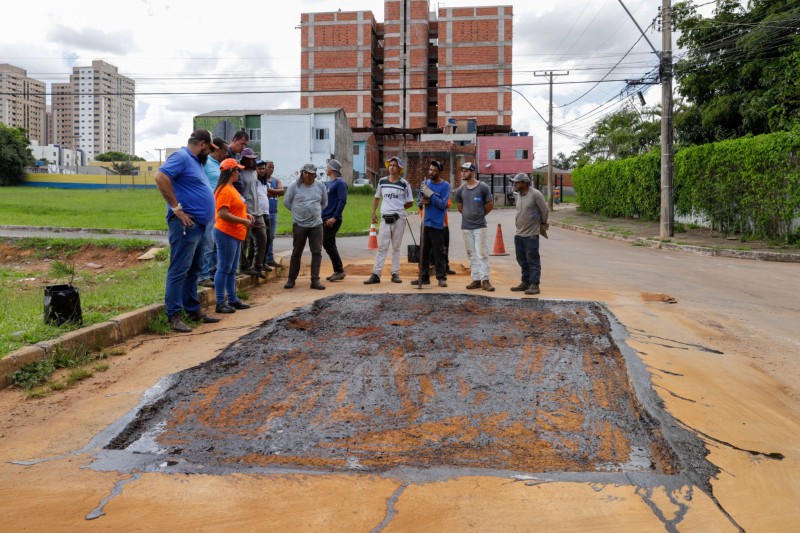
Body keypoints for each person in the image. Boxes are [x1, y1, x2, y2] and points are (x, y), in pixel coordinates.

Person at [153, 129, 221, 333]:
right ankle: (173, 315)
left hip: (198, 224)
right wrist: (177, 209)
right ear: (201, 144)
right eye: (208, 149)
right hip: (184, 224)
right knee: (179, 270)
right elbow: (160, 176)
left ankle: (192, 310)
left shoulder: (195, 161)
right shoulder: (182, 157)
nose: (209, 153)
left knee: (193, 270)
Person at [212, 158, 254, 313]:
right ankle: (220, 302)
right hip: (226, 232)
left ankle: (233, 299)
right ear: (231, 172)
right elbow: (223, 214)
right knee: (224, 267)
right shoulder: (223, 190)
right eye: (237, 170)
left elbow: (235, 209)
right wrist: (243, 221)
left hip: (234, 233)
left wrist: (246, 215)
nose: (239, 173)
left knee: (230, 269)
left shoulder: (231, 188)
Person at [364, 156, 414, 284]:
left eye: (395, 165)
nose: (391, 167)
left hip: (399, 219)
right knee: (382, 247)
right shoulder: (382, 181)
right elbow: (376, 198)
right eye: (390, 165)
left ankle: (395, 273)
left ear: (400, 168)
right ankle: (376, 274)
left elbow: (410, 202)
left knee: (396, 247)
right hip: (385, 218)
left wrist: (399, 207)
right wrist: (373, 212)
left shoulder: (404, 184)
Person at [283, 163, 328, 290]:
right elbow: (287, 202)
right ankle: (291, 279)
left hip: (316, 224)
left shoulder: (320, 186)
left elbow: (324, 203)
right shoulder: (294, 186)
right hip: (299, 224)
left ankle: (315, 280)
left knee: (317, 252)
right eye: (305, 173)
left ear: (315, 175)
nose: (307, 176)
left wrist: (314, 211)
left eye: (310, 173)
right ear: (302, 172)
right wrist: (298, 212)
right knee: (296, 252)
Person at [455, 161, 495, 291]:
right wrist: (468, 216)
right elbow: (460, 207)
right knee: (471, 254)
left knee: (482, 253)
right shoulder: (460, 190)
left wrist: (480, 215)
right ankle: (476, 279)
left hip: (479, 226)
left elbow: (489, 205)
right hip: (466, 227)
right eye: (462, 171)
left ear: (472, 172)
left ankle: (486, 280)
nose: (463, 173)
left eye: (466, 171)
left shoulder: (482, 187)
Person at [412, 160, 451, 288]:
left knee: (439, 252)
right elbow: (418, 202)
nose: (431, 172)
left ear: (440, 171)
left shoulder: (445, 186)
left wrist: (431, 195)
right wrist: (423, 201)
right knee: (423, 251)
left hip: (438, 224)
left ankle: (441, 277)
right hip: (425, 222)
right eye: (430, 169)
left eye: (434, 170)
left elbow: (442, 204)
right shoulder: (425, 183)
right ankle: (423, 277)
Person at [509, 172, 549, 295]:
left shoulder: (535, 194)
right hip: (519, 233)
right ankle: (525, 282)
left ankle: (534, 284)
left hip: (531, 234)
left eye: (516, 182)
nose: (514, 184)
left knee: (533, 260)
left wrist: (541, 224)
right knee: (522, 259)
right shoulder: (519, 195)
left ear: (524, 183)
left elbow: (544, 210)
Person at [198, 138, 228, 288]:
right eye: (225, 150)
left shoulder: (219, 165)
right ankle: (203, 276)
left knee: (216, 244)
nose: (227, 153)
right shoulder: (206, 163)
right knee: (208, 244)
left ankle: (212, 273)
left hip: (219, 210)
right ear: (217, 150)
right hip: (209, 209)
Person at [237, 148, 268, 278]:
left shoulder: (254, 172)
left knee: (262, 238)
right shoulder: (239, 173)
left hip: (257, 211)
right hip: (246, 211)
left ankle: (258, 266)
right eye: (249, 159)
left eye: (253, 159)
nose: (251, 161)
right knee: (245, 240)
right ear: (244, 159)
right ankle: (244, 267)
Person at [322, 159, 348, 281]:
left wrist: (335, 217)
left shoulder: (340, 183)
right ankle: (338, 270)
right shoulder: (328, 183)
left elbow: (342, 201)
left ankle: (339, 270)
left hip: (332, 219)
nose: (326, 168)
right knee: (329, 243)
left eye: (327, 166)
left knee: (327, 242)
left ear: (332, 169)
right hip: (324, 217)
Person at [253, 159, 273, 274]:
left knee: (267, 239)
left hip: (266, 213)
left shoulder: (263, 182)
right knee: (258, 241)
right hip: (257, 213)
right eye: (259, 168)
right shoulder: (253, 181)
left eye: (263, 169)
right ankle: (255, 265)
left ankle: (262, 263)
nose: (262, 171)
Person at [264, 160, 284, 268]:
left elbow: (281, 191)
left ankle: (270, 258)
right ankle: (263, 259)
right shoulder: (261, 180)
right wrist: (274, 191)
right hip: (264, 211)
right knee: (264, 237)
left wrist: (269, 190)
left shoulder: (276, 180)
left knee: (271, 236)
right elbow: (263, 193)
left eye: (272, 167)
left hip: (273, 211)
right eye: (269, 167)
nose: (271, 169)